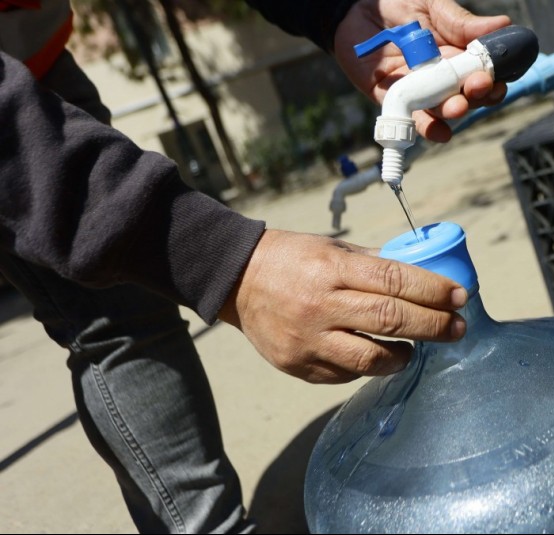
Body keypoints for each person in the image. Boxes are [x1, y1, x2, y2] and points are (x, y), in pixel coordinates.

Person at [0, 0, 510, 531]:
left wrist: (341, 10)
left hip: (37, 54)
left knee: (131, 311)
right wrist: (227, 264)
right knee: (110, 318)